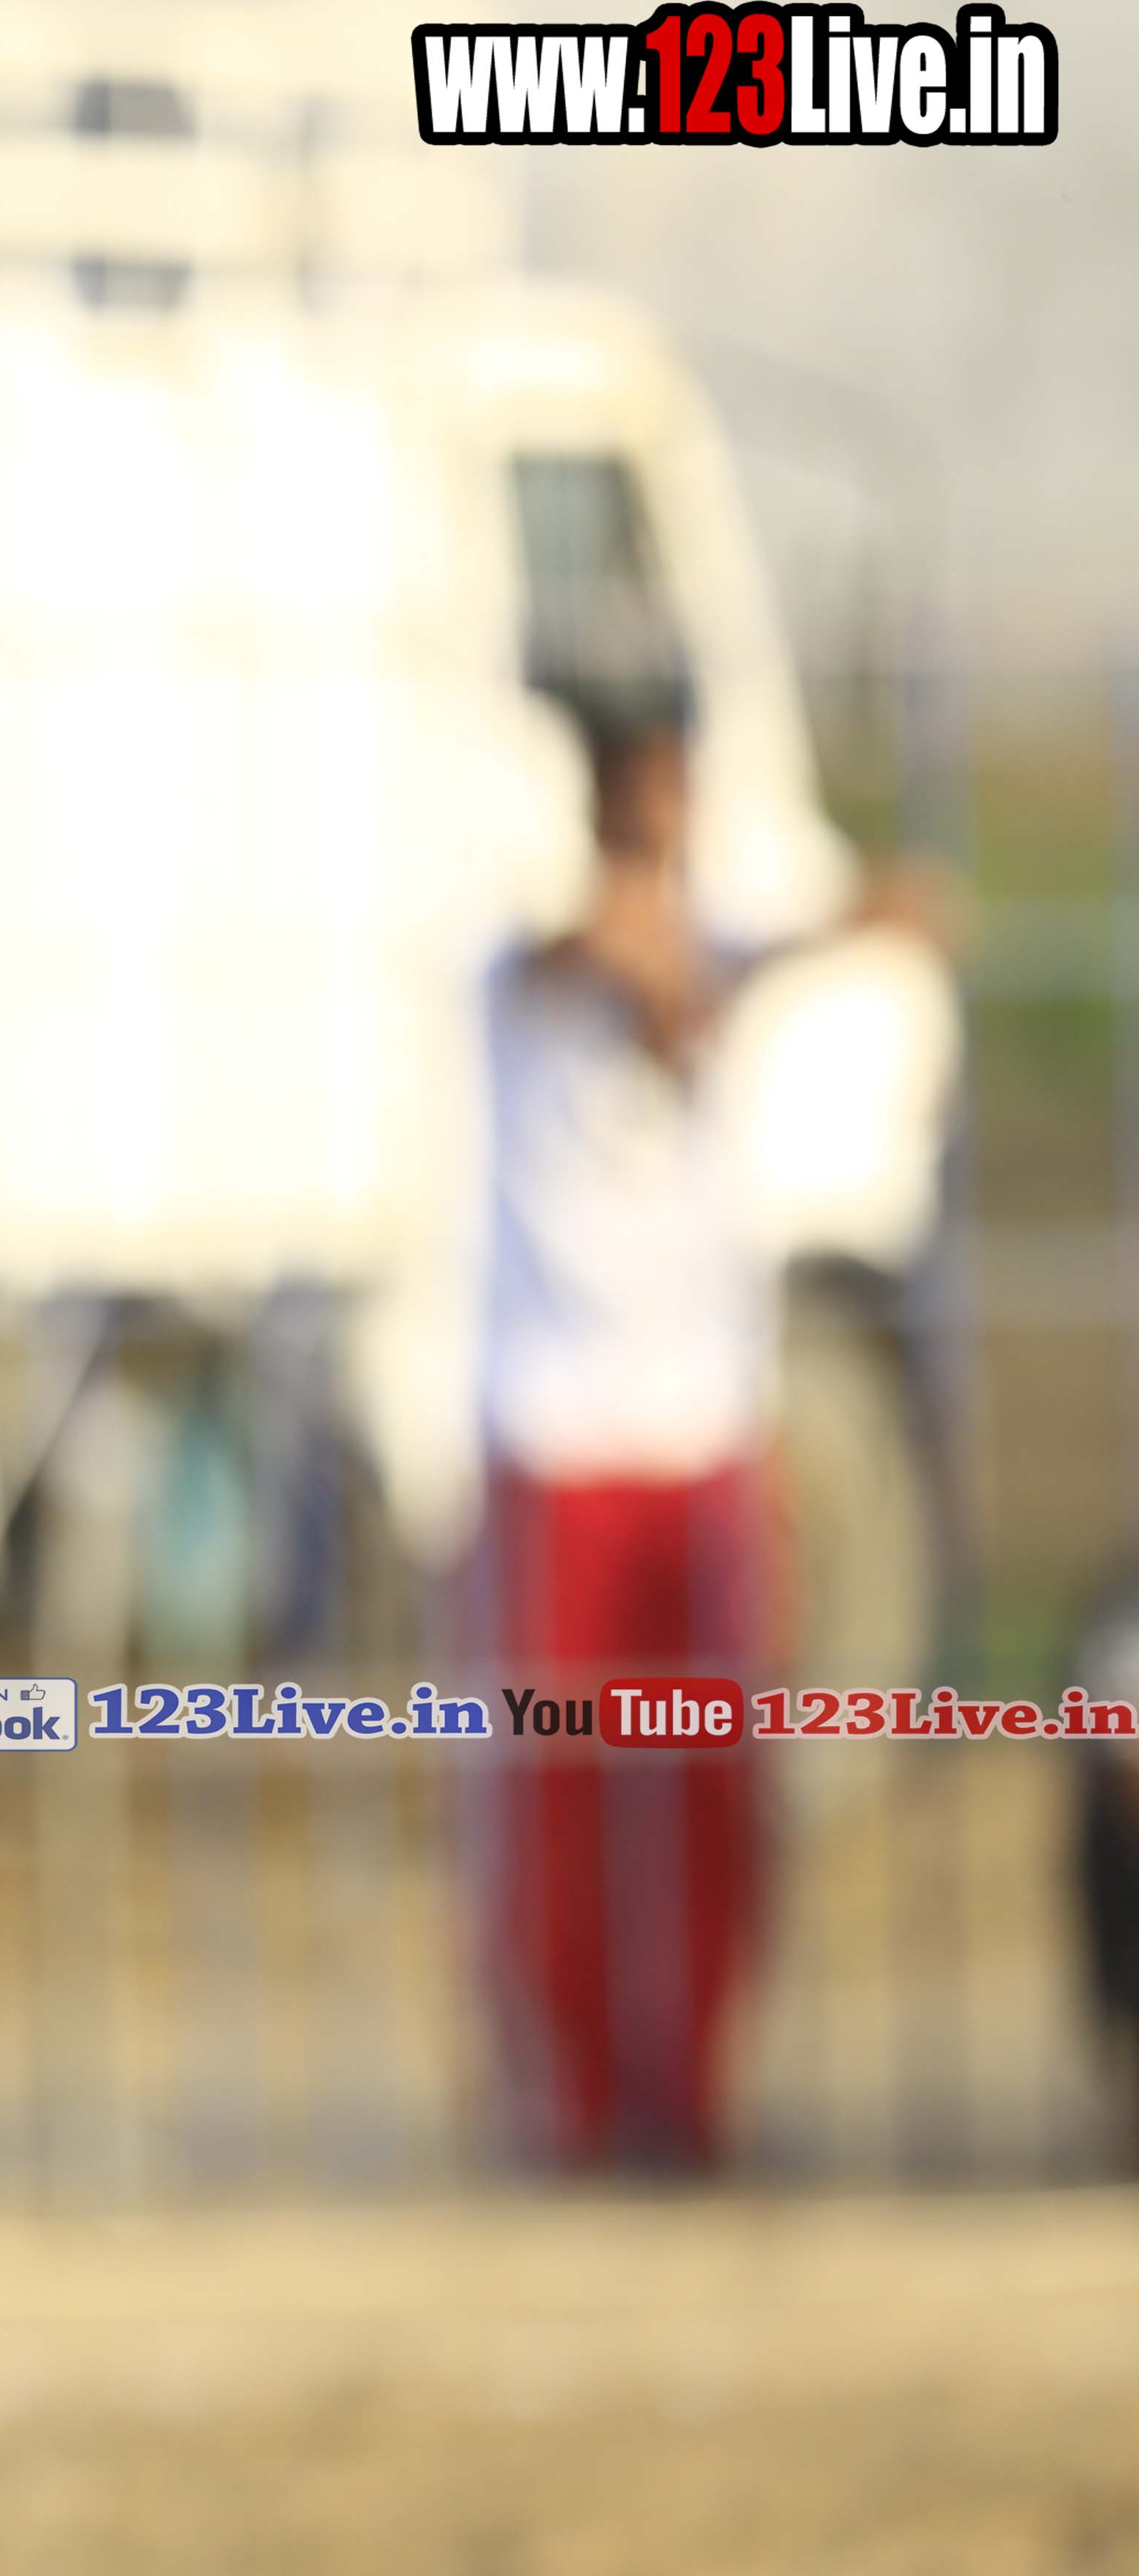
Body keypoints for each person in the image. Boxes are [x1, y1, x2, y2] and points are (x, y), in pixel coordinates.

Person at [478, 704, 778, 2168]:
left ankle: (692, 2087)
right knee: (566, 1783)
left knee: (712, 1775)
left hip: (702, 1437)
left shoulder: (715, 954)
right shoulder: (525, 964)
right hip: (563, 1437)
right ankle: (579, 2095)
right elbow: (592, 966)